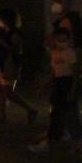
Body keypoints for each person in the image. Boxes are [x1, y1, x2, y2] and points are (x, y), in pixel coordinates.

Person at [29, 26, 82, 154]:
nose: (60, 42)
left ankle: (73, 141)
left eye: (64, 40)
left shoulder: (70, 53)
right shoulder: (54, 53)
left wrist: (72, 91)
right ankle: (56, 139)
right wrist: (44, 86)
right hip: (59, 84)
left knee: (70, 114)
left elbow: (75, 74)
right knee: (57, 113)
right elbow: (54, 73)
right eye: (58, 39)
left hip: (68, 83)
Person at [0, 9, 37, 125]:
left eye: (0, 19)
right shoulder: (4, 32)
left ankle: (31, 109)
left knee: (8, 91)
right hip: (0, 64)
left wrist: (2, 43)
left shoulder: (15, 33)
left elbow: (17, 50)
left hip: (10, 64)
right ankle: (2, 115)